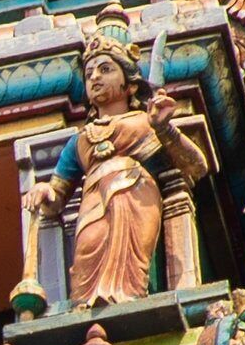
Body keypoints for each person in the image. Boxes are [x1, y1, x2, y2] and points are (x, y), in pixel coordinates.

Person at [29, 17, 208, 308]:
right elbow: (56, 198)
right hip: (92, 207)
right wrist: (44, 192)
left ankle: (127, 304)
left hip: (136, 200)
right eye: (89, 74)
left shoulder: (144, 123)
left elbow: (196, 167)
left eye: (105, 69)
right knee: (87, 255)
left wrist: (165, 129)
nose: (95, 78)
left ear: (130, 85)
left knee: (131, 270)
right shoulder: (80, 140)